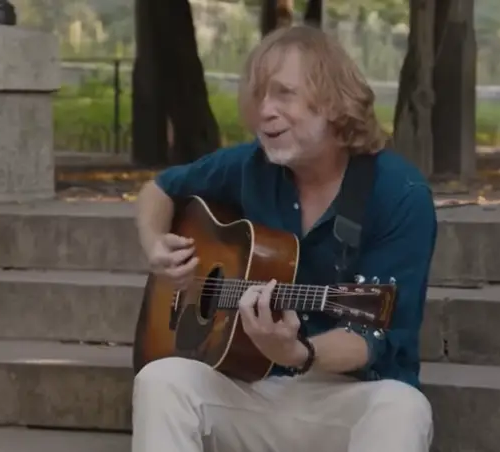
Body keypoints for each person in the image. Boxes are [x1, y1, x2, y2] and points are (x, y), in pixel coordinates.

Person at [132, 25, 437, 452]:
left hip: (349, 397)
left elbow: (373, 337)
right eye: (258, 97)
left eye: (283, 94)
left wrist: (298, 352)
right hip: (253, 389)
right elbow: (160, 190)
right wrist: (154, 245)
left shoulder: (399, 195)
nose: (264, 112)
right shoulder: (248, 167)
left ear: (332, 101)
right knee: (161, 380)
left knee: (403, 409)